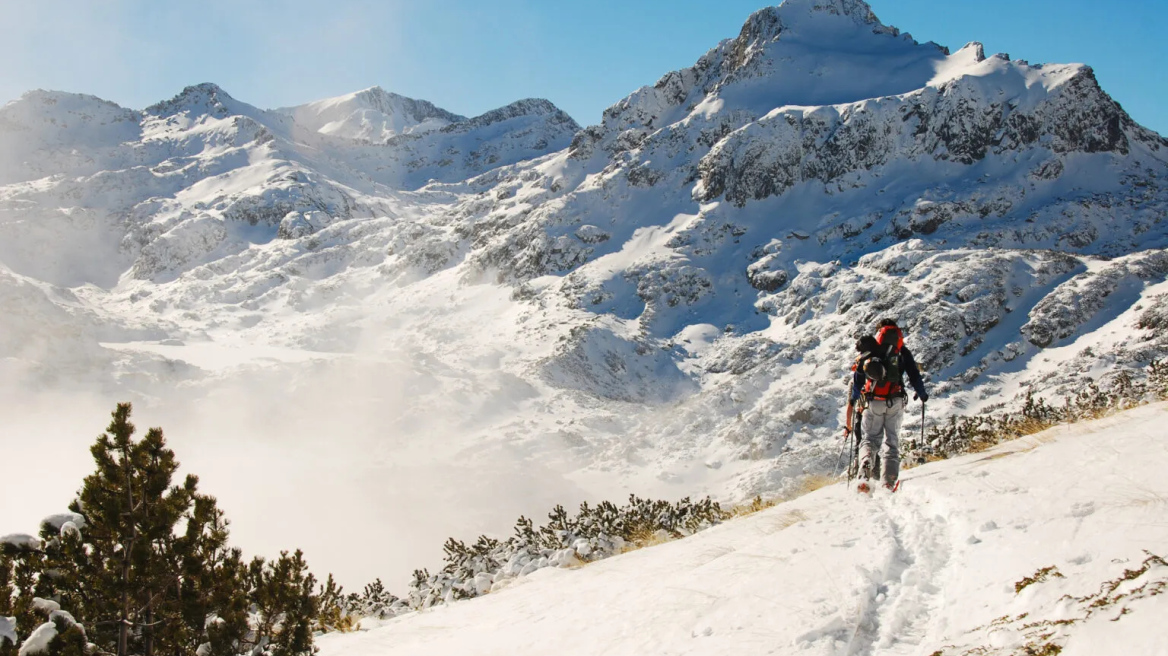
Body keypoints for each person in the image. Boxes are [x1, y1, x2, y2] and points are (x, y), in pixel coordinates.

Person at [848, 319, 927, 492]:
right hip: (896, 401)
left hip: (874, 400)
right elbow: (914, 374)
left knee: (869, 439)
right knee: (892, 442)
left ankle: (866, 464)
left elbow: (858, 378)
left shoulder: (872, 351)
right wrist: (921, 393)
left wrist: (854, 399)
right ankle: (888, 482)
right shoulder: (901, 352)